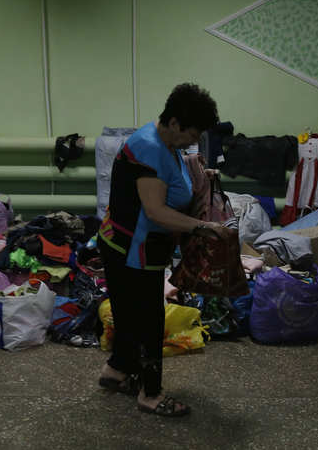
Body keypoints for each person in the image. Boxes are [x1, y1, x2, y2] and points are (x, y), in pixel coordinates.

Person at [96, 83, 222, 417]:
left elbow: (172, 181)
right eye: (192, 134)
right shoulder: (149, 147)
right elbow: (156, 211)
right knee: (149, 320)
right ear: (176, 122)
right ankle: (150, 395)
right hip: (133, 250)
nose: (193, 142)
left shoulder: (166, 144)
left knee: (128, 315)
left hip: (130, 246)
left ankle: (116, 372)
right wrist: (202, 227)